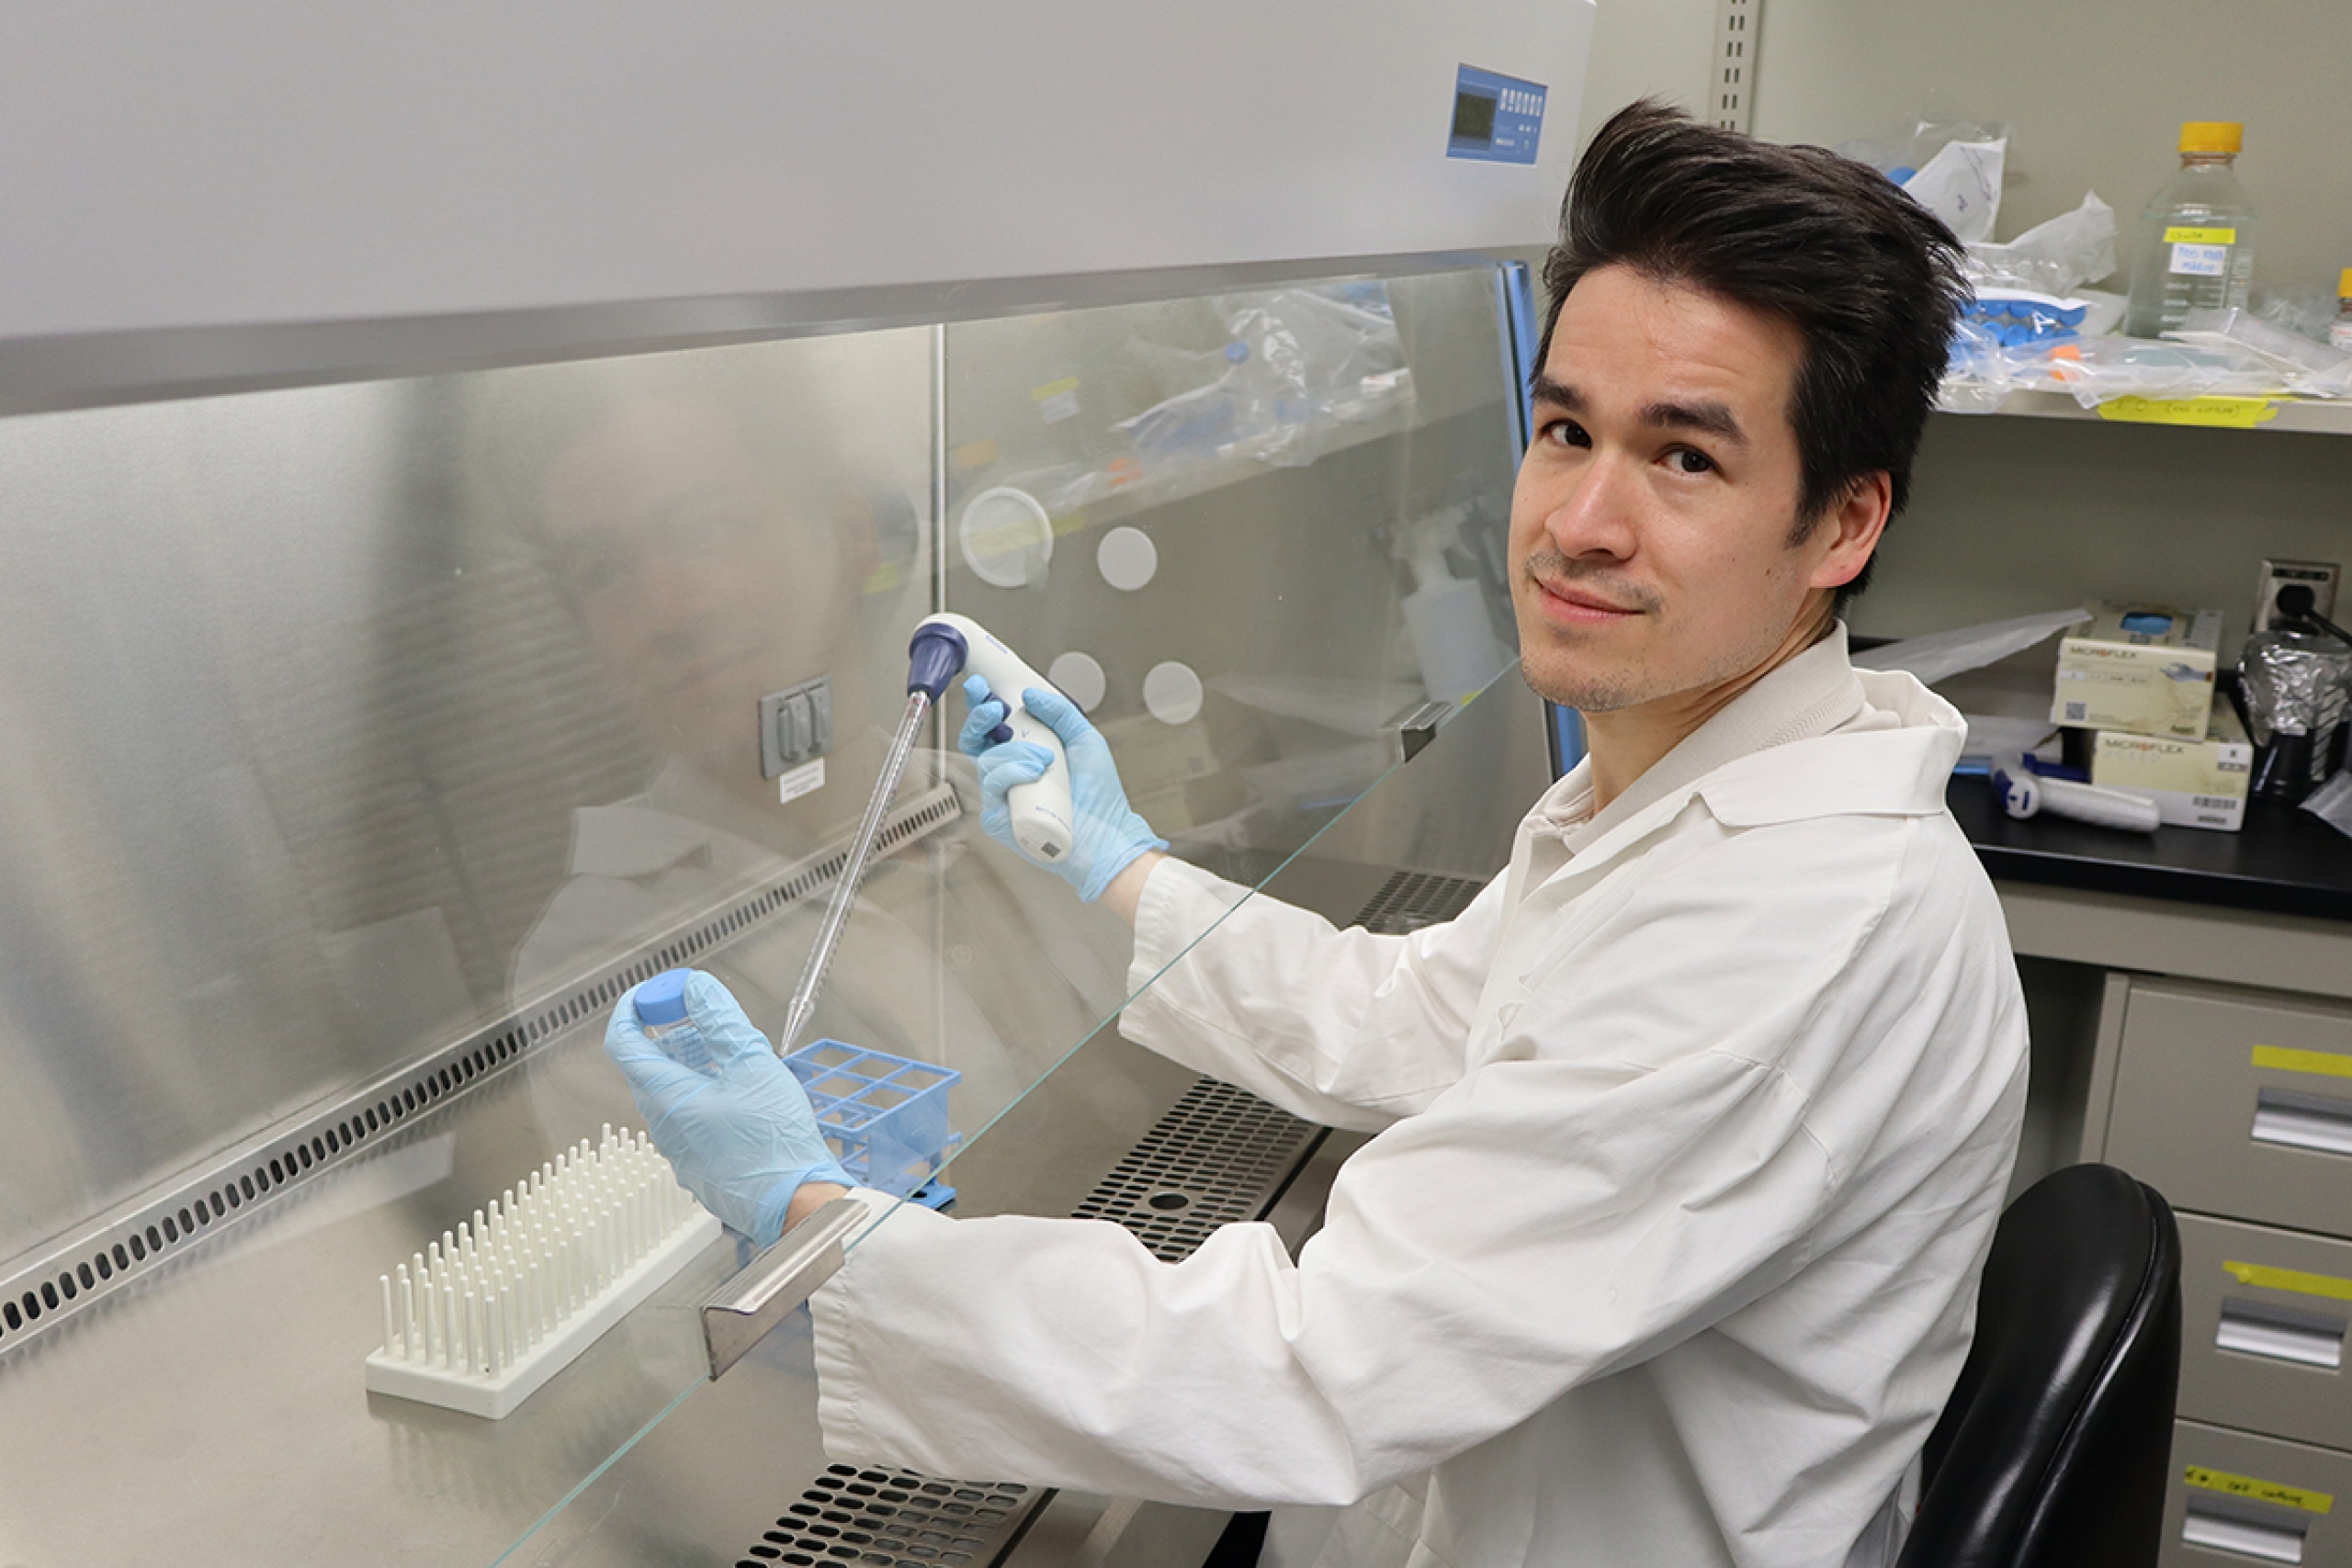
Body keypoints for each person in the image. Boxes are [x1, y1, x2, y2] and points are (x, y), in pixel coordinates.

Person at [603, 100, 2028, 1568]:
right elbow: (1425, 1018)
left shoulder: (1793, 920)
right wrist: (1119, 867)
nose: (1579, 522)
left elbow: (1318, 1363)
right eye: (1565, 430)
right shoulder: (1683, 781)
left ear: (1845, 525)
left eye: (1684, 461)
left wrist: (822, 1228)